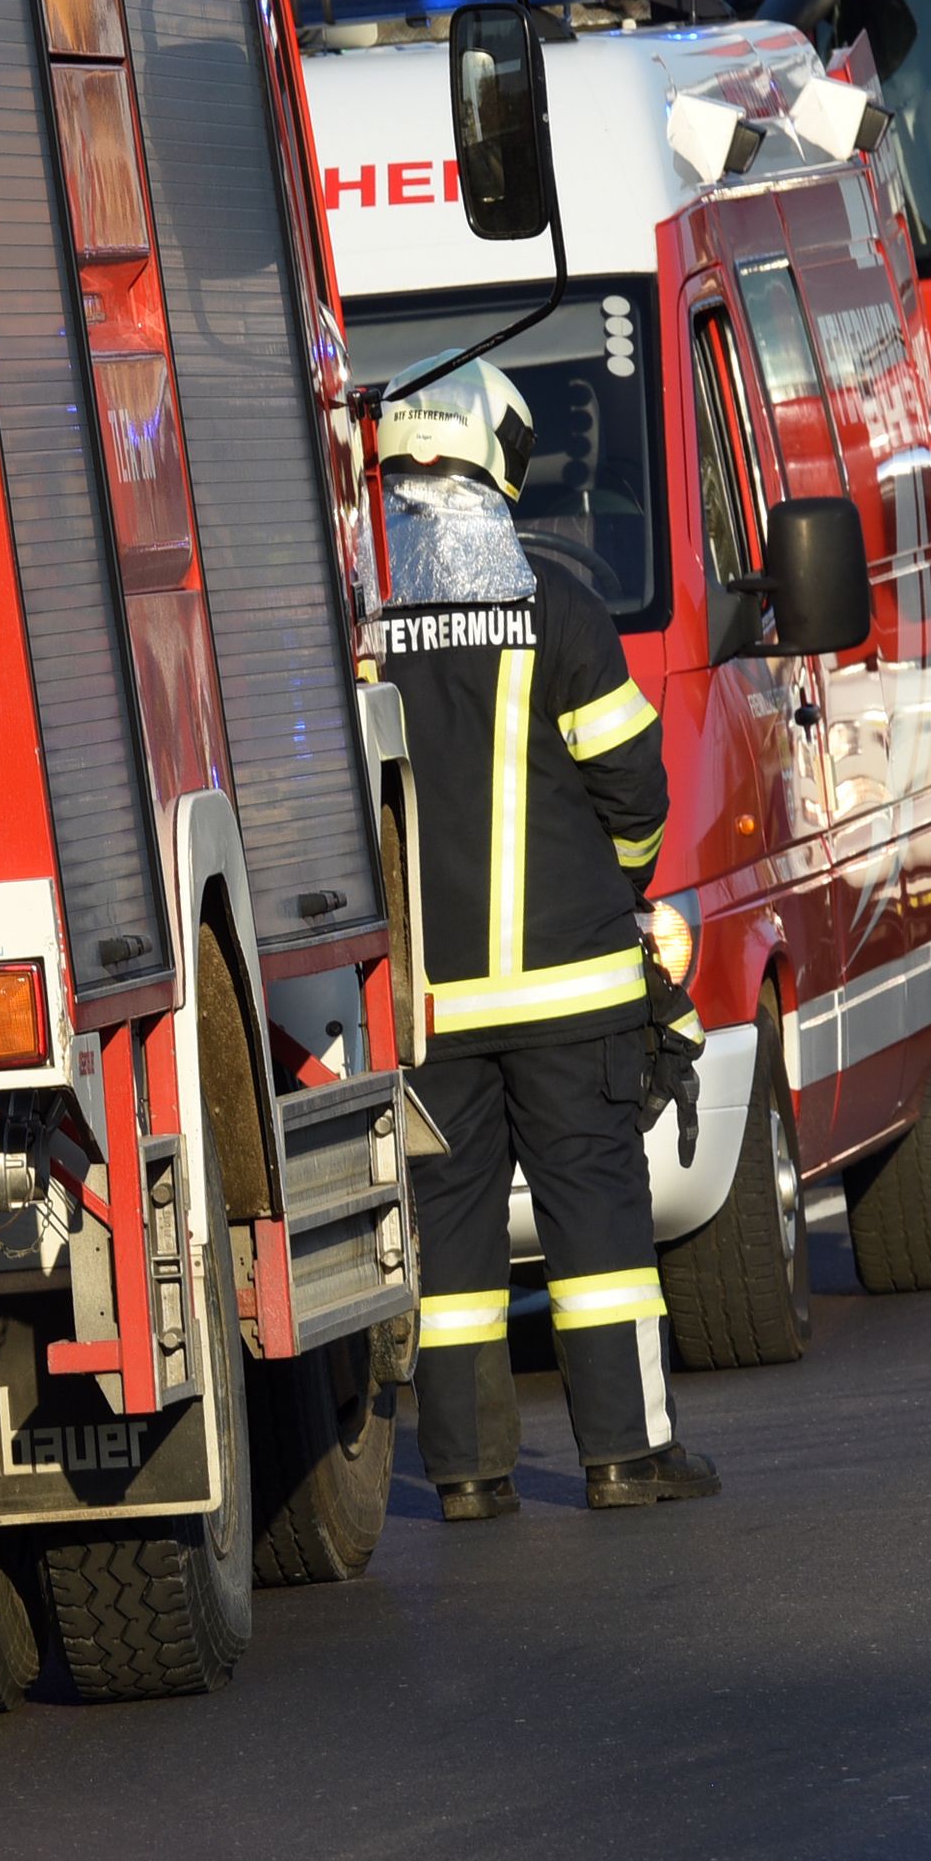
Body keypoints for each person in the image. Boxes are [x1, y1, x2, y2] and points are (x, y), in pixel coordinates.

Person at [364, 358, 719, 1518]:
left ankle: (466, 1473)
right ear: (497, 464)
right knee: (598, 1220)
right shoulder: (556, 603)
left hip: (428, 1006)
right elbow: (635, 791)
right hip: (572, 990)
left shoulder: (356, 626)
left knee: (454, 1241)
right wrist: (622, 895)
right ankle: (625, 1455)